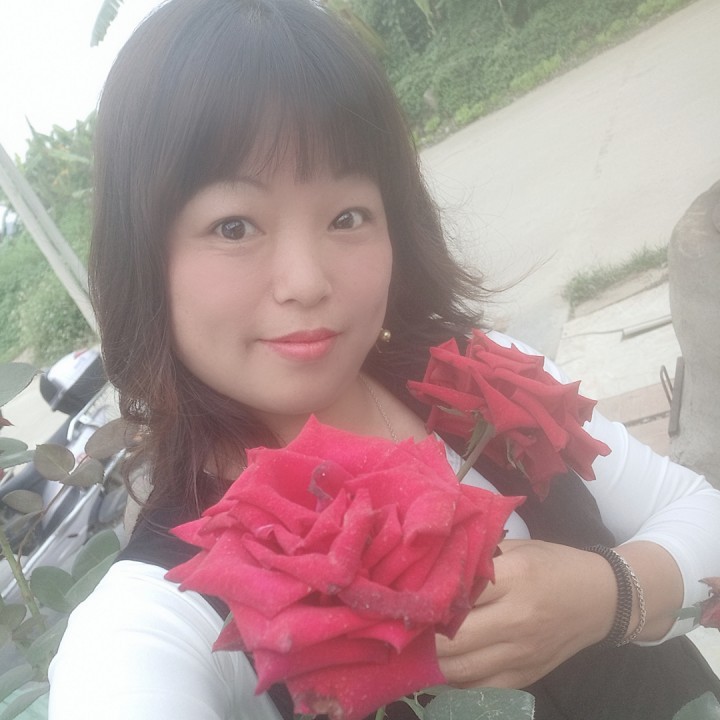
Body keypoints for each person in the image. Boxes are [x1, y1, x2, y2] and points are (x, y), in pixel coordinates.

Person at [48, 1, 720, 718]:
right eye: (234, 226)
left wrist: (610, 594)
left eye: (347, 216)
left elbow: (699, 511)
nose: (307, 282)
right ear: (145, 259)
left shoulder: (478, 378)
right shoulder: (162, 603)